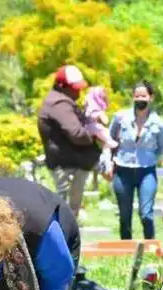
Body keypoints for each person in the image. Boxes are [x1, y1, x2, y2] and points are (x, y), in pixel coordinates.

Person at [107, 81, 163, 240]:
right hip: (122, 170)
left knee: (146, 213)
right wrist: (109, 161)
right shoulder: (121, 118)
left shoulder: (159, 124)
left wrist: (150, 157)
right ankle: (126, 250)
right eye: (137, 96)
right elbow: (110, 140)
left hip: (146, 171)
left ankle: (150, 247)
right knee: (125, 215)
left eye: (143, 96)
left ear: (151, 97)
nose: (140, 99)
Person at [38, 65, 101, 219]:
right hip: (66, 166)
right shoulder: (59, 104)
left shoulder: (59, 101)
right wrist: (96, 136)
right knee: (66, 214)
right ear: (62, 86)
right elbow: (76, 133)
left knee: (68, 213)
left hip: (69, 163)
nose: (78, 92)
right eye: (75, 88)